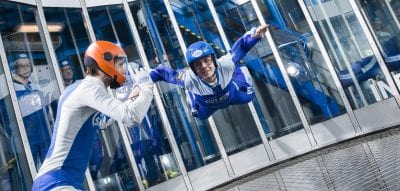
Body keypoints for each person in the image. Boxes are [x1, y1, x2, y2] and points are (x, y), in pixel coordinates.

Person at [32, 40, 154, 190]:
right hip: (57, 182)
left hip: (60, 181)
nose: (124, 69)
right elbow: (131, 118)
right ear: (106, 61)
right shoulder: (90, 87)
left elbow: (103, 121)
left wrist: (132, 99)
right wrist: (147, 85)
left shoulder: (83, 87)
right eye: (121, 64)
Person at [150, 25, 268, 120]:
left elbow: (241, 47)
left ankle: (239, 73)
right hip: (207, 104)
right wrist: (145, 80)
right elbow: (162, 74)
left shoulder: (225, 63)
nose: (204, 67)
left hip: (232, 94)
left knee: (249, 96)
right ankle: (191, 94)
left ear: (214, 60)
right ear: (193, 69)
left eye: (206, 61)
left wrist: (256, 35)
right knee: (199, 116)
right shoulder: (189, 79)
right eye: (198, 65)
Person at [11, 53, 52, 169]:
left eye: (27, 65)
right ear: (15, 68)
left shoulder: (36, 86)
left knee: (49, 170)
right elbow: (6, 117)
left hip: (44, 135)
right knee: (30, 171)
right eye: (21, 65)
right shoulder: (11, 89)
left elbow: (46, 109)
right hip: (26, 137)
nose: (25, 68)